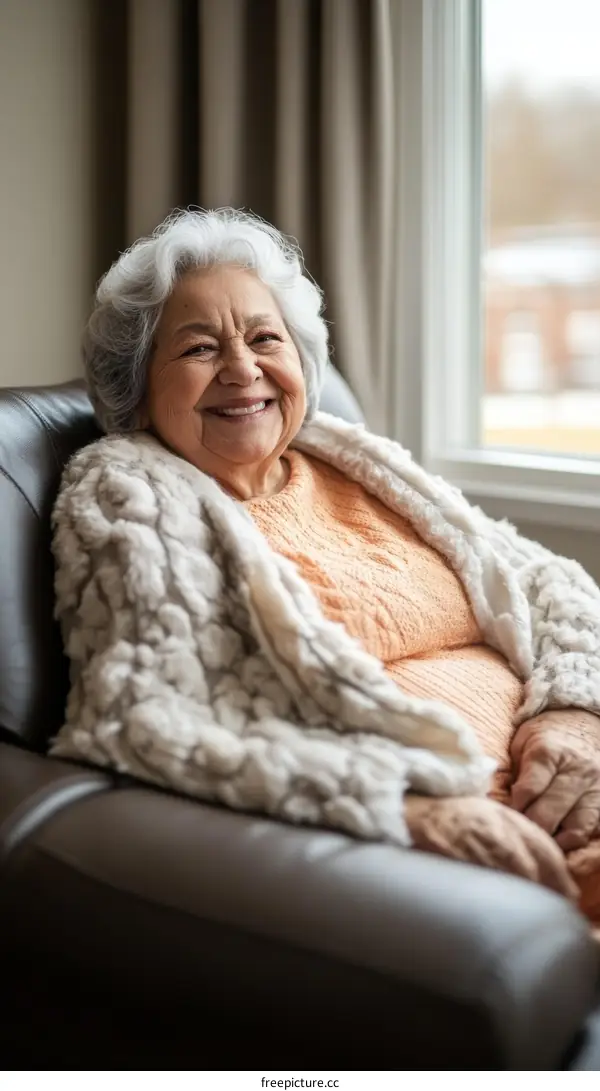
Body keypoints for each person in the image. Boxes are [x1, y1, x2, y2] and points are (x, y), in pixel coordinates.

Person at [51, 208, 600, 919]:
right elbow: (146, 717)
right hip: (468, 838)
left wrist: (573, 713)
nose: (243, 368)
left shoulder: (348, 457)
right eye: (198, 348)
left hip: (563, 781)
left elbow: (543, 578)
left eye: (263, 337)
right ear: (138, 386)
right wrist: (399, 805)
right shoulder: (129, 493)